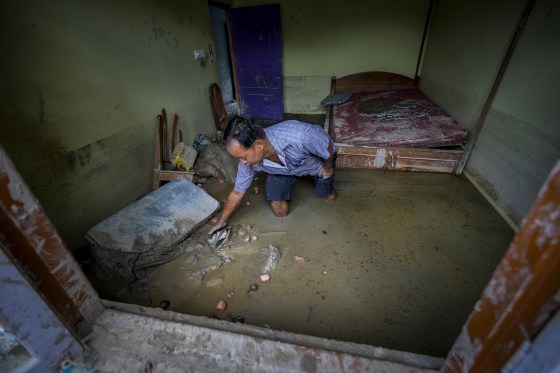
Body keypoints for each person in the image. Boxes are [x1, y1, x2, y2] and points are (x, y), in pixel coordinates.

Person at [208, 116, 336, 234]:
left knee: (327, 196)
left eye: (243, 157)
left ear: (259, 145)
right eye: (239, 158)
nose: (243, 163)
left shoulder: (300, 135)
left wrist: (327, 167)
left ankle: (320, 182)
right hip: (281, 170)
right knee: (280, 212)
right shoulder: (248, 162)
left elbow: (328, 147)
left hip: (316, 165)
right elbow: (237, 192)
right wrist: (222, 221)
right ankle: (292, 180)